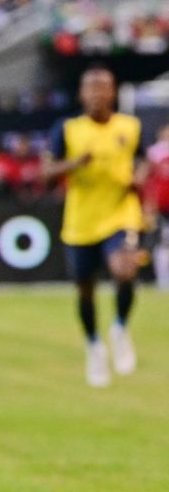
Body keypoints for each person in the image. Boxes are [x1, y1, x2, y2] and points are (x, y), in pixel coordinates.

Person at [43, 66, 144, 387]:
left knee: (125, 270)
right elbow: (44, 171)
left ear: (113, 92)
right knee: (86, 290)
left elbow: (141, 159)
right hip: (81, 220)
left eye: (104, 88)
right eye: (92, 89)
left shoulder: (130, 126)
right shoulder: (68, 129)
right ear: (82, 94)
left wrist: (139, 176)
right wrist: (74, 163)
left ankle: (119, 327)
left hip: (120, 213)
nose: (98, 94)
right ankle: (94, 346)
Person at [141, 123, 169, 289]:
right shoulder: (154, 153)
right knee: (159, 243)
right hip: (160, 205)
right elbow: (145, 178)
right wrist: (148, 202)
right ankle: (162, 279)